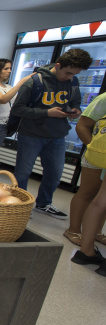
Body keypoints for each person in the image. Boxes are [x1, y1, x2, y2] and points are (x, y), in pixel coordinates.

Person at [12, 48, 92, 219]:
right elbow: (18, 109)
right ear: (57, 65)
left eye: (74, 74)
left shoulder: (73, 82)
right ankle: (20, 206)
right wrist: (47, 113)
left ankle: (44, 203)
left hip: (57, 135)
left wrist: (75, 110)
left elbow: (75, 102)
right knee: (23, 172)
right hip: (31, 134)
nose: (70, 77)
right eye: (68, 73)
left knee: (55, 173)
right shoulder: (35, 81)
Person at [64, 91, 106, 248]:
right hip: (97, 154)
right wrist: (93, 148)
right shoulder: (103, 99)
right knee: (88, 191)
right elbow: (82, 125)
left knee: (103, 198)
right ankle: (73, 229)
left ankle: (96, 231)